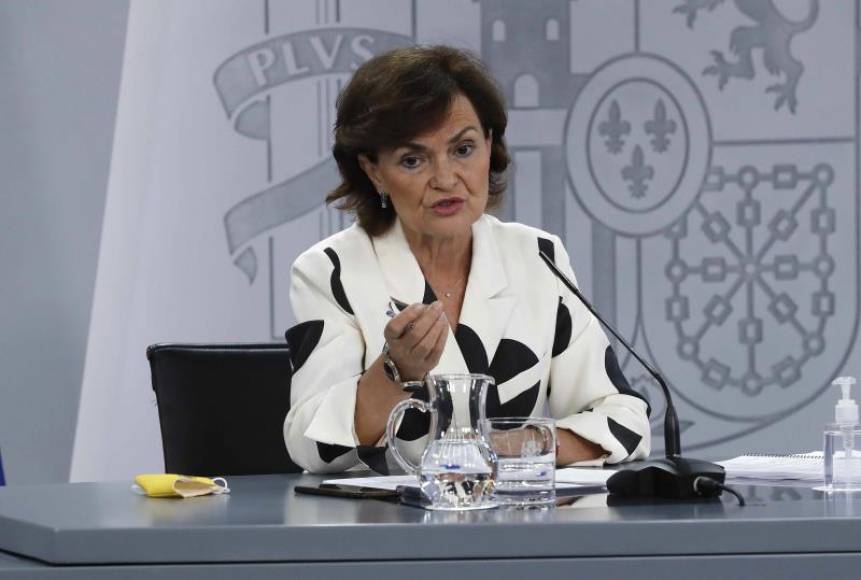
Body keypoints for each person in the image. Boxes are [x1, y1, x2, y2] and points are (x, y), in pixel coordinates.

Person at [283, 45, 650, 474]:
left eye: (463, 149)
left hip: (519, 528)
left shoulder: (537, 256)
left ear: (490, 145)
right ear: (373, 170)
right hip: (389, 530)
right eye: (413, 159)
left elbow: (625, 420)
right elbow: (312, 446)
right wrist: (395, 372)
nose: (444, 179)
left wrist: (519, 444)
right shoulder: (332, 271)